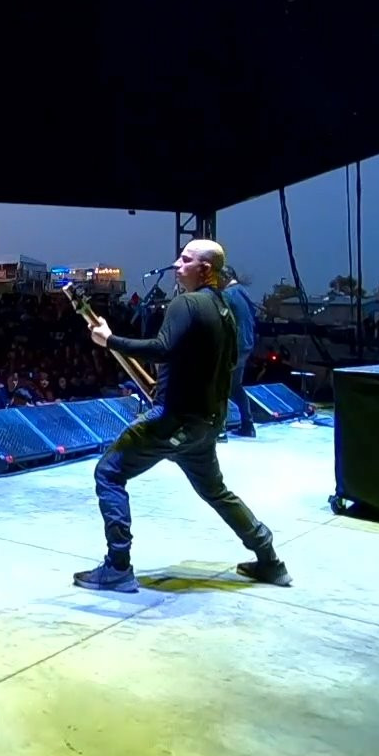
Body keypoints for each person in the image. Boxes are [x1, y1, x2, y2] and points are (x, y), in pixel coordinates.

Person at [78, 240, 288, 592]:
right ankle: (270, 560)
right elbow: (227, 362)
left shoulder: (186, 304)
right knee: (217, 492)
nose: (176, 264)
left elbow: (161, 349)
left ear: (204, 269)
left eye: (185, 260)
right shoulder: (225, 308)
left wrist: (110, 340)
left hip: (173, 420)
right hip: (206, 424)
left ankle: (117, 566)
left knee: (109, 473)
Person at [220, 273, 259, 438]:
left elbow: (221, 319)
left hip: (233, 347)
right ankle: (248, 425)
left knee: (220, 386)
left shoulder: (227, 294)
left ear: (224, 277)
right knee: (235, 386)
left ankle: (220, 430)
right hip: (246, 344)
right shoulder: (242, 291)